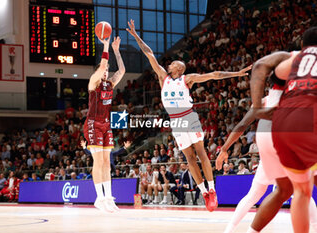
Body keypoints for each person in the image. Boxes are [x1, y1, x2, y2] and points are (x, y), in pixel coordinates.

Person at [127, 19, 250, 211]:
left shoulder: (187, 78)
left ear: (179, 68)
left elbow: (214, 75)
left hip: (189, 117)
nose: (169, 65)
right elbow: (149, 54)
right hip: (176, 122)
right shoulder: (163, 78)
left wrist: (236, 74)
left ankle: (212, 189)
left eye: (173, 64)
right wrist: (136, 36)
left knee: (201, 154)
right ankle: (204, 192)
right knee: (189, 158)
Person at [256, 27, 317, 233]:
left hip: (281, 123)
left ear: (302, 45)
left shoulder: (297, 58)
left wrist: (256, 106)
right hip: (310, 117)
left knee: (301, 190)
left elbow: (270, 71)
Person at [83, 36, 125, 212]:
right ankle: (98, 198)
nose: (106, 71)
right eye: (104, 69)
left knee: (107, 163)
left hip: (106, 125)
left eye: (108, 69)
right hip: (93, 124)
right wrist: (106, 46)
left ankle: (108, 197)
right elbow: (101, 66)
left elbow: (122, 70)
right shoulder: (93, 82)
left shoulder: (110, 83)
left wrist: (116, 50)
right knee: (98, 161)